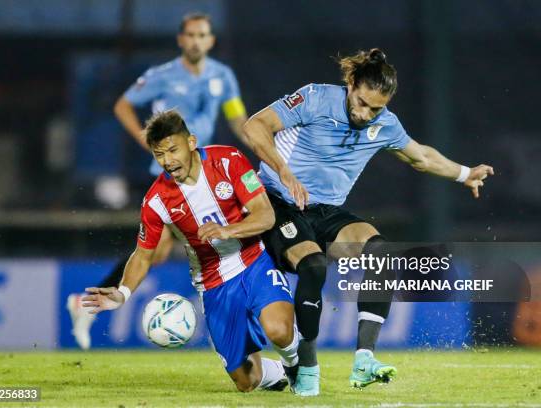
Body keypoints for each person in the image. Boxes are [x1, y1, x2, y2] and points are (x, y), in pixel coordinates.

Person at [242, 48, 494, 396]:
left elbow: (421, 156)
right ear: (350, 84)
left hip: (327, 211)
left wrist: (464, 174)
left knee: (382, 254)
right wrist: (283, 171)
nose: (365, 114)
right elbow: (254, 126)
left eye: (375, 108)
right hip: (279, 202)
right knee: (314, 266)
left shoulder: (385, 123)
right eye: (361, 102)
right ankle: (307, 366)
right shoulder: (316, 98)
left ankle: (364, 359)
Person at [67, 12, 249, 349]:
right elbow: (123, 105)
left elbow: (237, 118)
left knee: (162, 252)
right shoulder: (162, 76)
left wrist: (260, 144)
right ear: (181, 39)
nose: (196, 41)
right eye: (191, 35)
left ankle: (86, 305)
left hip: (204, 170)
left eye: (202, 35)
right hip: (172, 175)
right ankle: (231, 324)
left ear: (210, 41)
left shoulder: (223, 76)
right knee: (161, 249)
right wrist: (146, 142)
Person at [82, 110, 298, 393]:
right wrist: (122, 293)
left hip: (253, 262)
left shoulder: (228, 160)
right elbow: (143, 254)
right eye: (159, 154)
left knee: (279, 330)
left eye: (173, 149)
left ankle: (299, 367)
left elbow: (265, 216)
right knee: (247, 381)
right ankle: (279, 371)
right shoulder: (156, 200)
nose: (168, 161)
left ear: (192, 142)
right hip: (213, 285)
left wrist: (226, 231)